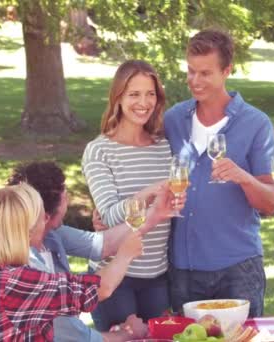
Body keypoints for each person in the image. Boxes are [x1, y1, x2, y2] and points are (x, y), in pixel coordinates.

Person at [163, 29, 274, 317]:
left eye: (205, 73)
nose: (195, 81)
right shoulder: (174, 119)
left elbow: (270, 203)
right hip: (183, 270)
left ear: (226, 71)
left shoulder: (256, 124)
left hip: (237, 269)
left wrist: (243, 177)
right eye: (190, 71)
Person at [7, 161, 181, 341]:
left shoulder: (51, 233)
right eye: (65, 193)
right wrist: (125, 334)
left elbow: (103, 244)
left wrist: (156, 214)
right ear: (47, 213)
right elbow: (94, 294)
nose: (67, 198)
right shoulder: (27, 264)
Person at [82, 60, 178, 331]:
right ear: (118, 97)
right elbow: (110, 215)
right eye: (134, 94)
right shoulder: (99, 150)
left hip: (157, 274)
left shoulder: (163, 146)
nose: (143, 102)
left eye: (150, 94)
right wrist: (148, 192)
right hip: (114, 275)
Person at [0, 183, 100, 341]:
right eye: (42, 217)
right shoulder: (16, 280)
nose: (46, 221)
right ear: (27, 231)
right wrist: (125, 253)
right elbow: (92, 291)